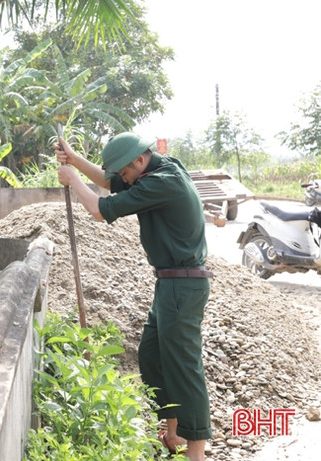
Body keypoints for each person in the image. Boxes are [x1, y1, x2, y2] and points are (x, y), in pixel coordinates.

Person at [55, 132, 211, 461]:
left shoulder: (163, 182)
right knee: (153, 355)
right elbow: (110, 182)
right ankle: (174, 434)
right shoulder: (156, 169)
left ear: (139, 160)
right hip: (169, 283)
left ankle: (195, 453)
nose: (122, 179)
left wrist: (72, 179)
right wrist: (75, 160)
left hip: (182, 285)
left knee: (185, 368)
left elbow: (100, 209)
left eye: (125, 172)